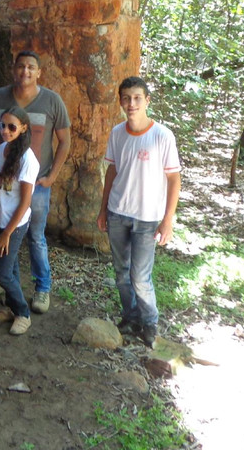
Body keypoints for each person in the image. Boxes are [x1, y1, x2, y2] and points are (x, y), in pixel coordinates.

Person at [0, 50, 70, 314]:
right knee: (4, 233)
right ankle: (4, 280)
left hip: (37, 183)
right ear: (14, 69)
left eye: (31, 67)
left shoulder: (52, 101)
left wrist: (52, 176)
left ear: (39, 72)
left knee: (35, 237)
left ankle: (42, 288)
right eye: (21, 66)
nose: (26, 72)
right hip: (4, 184)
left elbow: (65, 141)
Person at [97, 76, 182, 348]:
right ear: (120, 101)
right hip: (117, 213)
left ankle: (149, 322)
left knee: (140, 277)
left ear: (147, 100)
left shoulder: (162, 136)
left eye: (137, 98)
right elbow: (112, 171)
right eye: (126, 98)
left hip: (147, 218)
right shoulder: (117, 133)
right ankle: (130, 316)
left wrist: (168, 219)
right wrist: (103, 210)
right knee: (121, 273)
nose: (131, 104)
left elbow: (173, 178)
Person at [0, 107, 39, 336]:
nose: (6, 131)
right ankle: (11, 308)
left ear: (23, 128)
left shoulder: (28, 159)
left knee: (2, 273)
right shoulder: (1, 149)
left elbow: (25, 201)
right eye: (3, 125)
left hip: (14, 224)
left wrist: (8, 232)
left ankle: (23, 313)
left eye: (12, 127)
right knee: (12, 268)